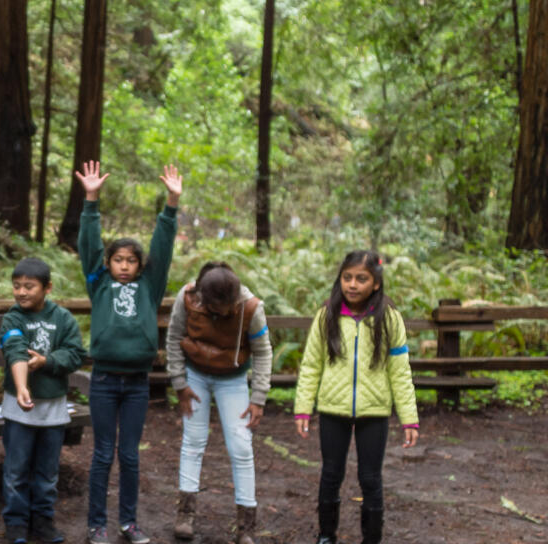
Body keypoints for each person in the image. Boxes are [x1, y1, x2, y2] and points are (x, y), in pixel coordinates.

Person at [75, 160, 181, 544]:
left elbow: (163, 246)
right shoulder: (98, 284)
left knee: (131, 457)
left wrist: (171, 203)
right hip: (103, 380)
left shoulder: (149, 286)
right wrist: (91, 199)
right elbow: (88, 245)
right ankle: (97, 524)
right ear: (108, 264)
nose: (124, 266)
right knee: (103, 454)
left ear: (140, 266)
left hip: (137, 383)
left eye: (130, 261)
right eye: (118, 260)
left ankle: (129, 523)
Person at [293, 250, 419, 544]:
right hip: (332, 409)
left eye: (361, 279)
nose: (352, 284)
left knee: (370, 478)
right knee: (331, 474)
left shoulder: (389, 318)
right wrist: (302, 408)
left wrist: (409, 417)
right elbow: (311, 365)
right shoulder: (327, 316)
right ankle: (326, 536)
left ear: (375, 283)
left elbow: (400, 372)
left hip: (373, 412)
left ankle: (371, 538)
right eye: (347, 277)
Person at [165, 261, 271, 543]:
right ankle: (185, 514)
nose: (224, 311)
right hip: (194, 376)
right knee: (193, 441)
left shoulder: (251, 308)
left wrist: (258, 397)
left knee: (241, 446)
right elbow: (174, 336)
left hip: (232, 379)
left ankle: (246, 526)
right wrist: (180, 383)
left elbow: (262, 352)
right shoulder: (187, 298)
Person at [0, 257, 86, 544]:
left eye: (29, 286)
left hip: (53, 411)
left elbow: (75, 354)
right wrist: (23, 387)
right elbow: (14, 349)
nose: (21, 292)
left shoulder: (63, 319)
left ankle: (43, 521)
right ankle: (15, 523)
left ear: (47, 287)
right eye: (17, 286)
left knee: (47, 473)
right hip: (18, 408)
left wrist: (48, 361)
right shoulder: (13, 317)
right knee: (16, 470)